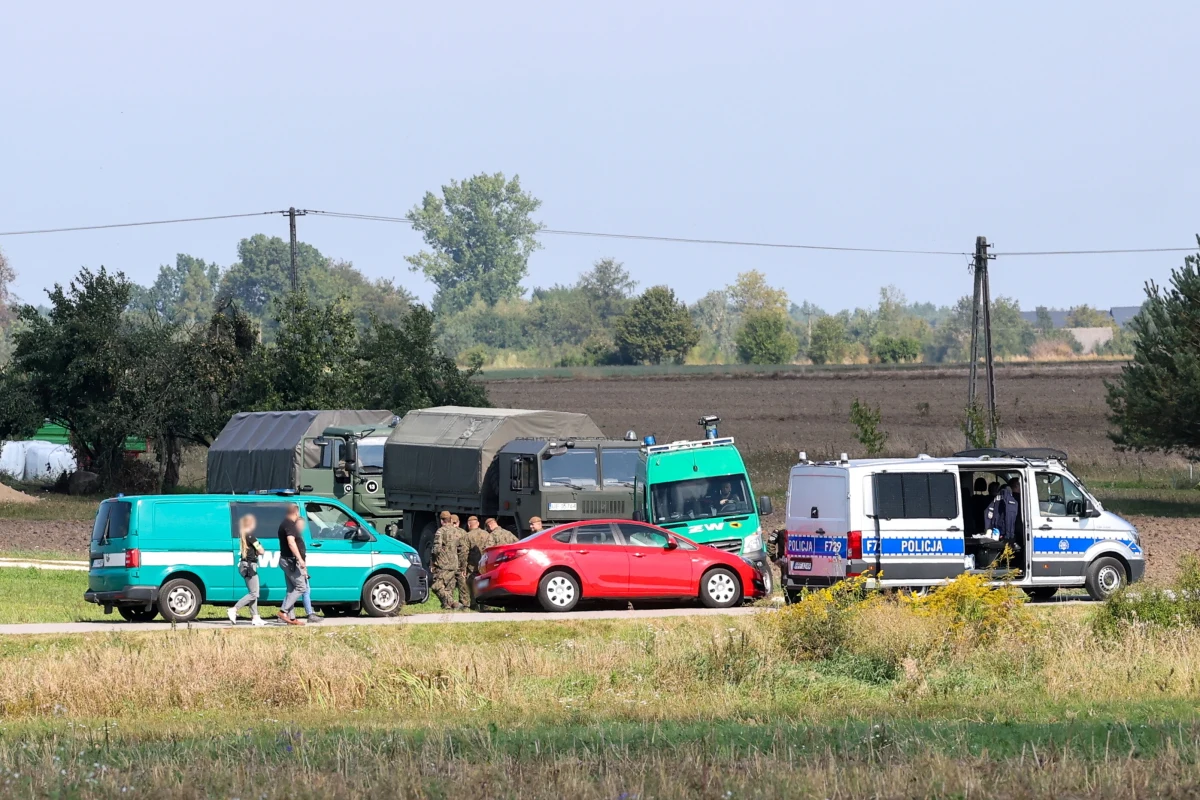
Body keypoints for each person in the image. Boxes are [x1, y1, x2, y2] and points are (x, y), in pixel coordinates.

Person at [229, 513, 267, 626]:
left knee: (253, 592)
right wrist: (259, 549)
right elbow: (261, 551)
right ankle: (234, 609)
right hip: (250, 566)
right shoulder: (251, 536)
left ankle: (255, 617)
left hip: (245, 566)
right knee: (254, 593)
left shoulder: (244, 536)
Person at [277, 503, 309, 625]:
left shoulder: (285, 524)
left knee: (291, 589)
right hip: (291, 561)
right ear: (295, 512)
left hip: (286, 560)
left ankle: (291, 618)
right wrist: (300, 559)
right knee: (301, 587)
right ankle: (283, 611)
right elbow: (291, 542)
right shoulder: (289, 524)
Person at [430, 511, 463, 609]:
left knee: (436, 586)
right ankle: (447, 607)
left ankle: (453, 603)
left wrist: (433, 561)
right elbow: (461, 549)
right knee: (449, 588)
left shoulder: (441, 531)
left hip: (443, 564)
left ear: (441, 520)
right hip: (454, 564)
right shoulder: (458, 531)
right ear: (450, 519)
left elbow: (436, 549)